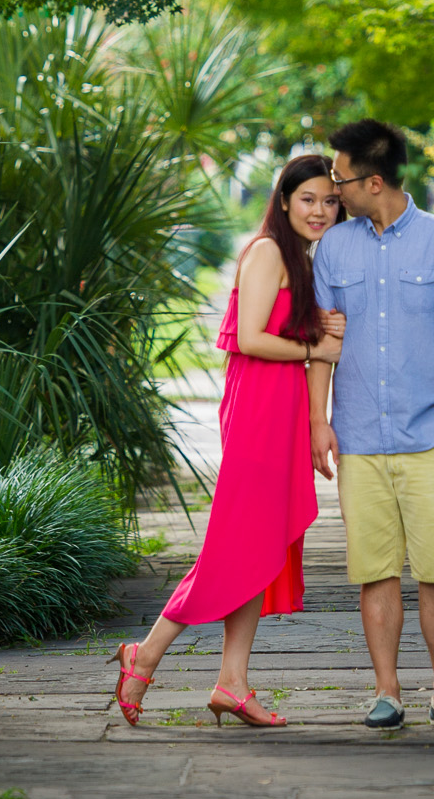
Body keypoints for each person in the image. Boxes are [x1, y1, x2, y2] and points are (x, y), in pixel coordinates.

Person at [111, 153, 345, 730]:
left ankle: (232, 684)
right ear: (284, 200)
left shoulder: (306, 261)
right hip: (258, 417)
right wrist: (316, 346)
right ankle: (145, 654)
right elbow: (249, 338)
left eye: (329, 200)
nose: (319, 210)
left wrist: (318, 408)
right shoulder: (268, 251)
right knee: (234, 545)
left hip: (281, 415)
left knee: (259, 550)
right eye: (308, 199)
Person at [309, 119, 434, 730]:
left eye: (340, 180)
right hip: (359, 438)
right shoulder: (333, 249)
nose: (334, 191)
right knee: (374, 570)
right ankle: (387, 692)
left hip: (430, 435)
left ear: (373, 180)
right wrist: (319, 422)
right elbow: (323, 345)